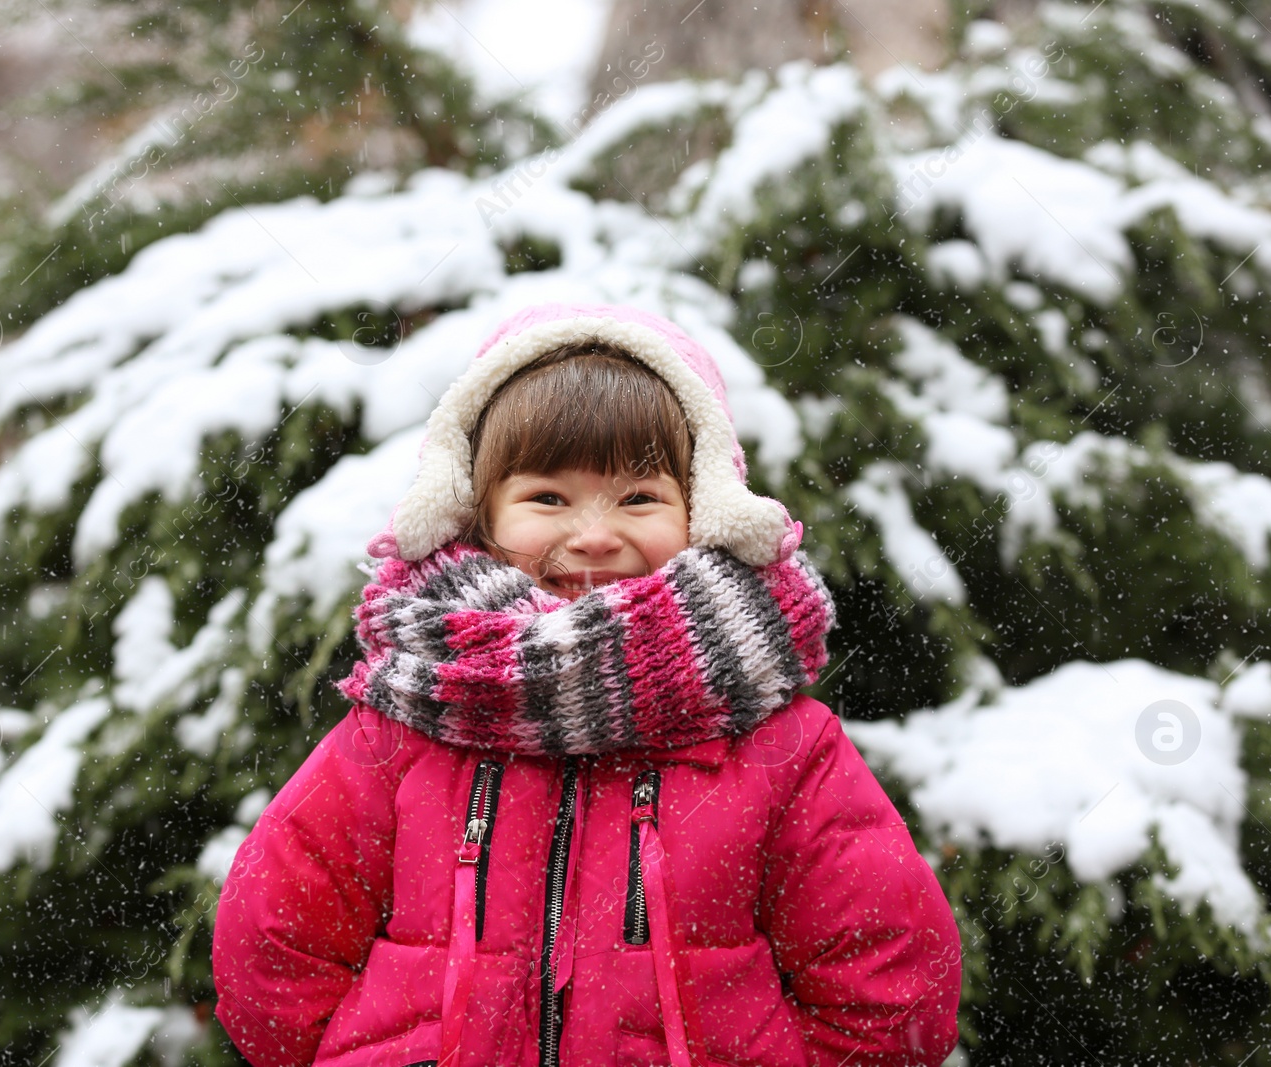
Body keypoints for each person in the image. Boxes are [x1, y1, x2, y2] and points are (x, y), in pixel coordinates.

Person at [212, 303, 962, 1067]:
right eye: (548, 497)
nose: (596, 534)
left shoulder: (776, 744)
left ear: (704, 512)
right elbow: (273, 939)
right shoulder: (406, 723)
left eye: (639, 496)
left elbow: (891, 980)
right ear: (477, 514)